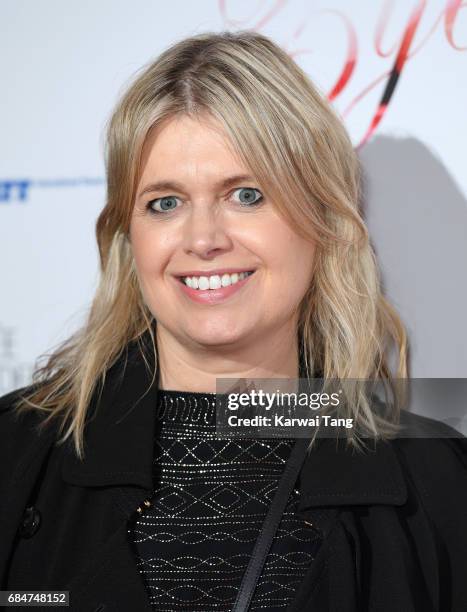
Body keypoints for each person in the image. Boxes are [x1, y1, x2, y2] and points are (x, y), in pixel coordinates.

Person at [1, 30, 466, 612]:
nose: (203, 240)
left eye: (245, 195)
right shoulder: (17, 455)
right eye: (165, 203)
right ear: (128, 236)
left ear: (321, 218)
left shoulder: (440, 484)